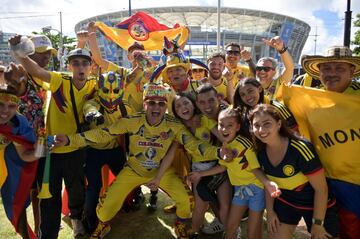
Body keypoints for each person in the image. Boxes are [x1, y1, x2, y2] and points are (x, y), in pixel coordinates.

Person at [54, 83, 230, 239]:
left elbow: (193, 145)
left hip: (162, 171)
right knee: (106, 208)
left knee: (186, 201)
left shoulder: (174, 125)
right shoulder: (132, 120)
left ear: (166, 107)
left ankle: (180, 225)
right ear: (145, 104)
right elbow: (103, 134)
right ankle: (103, 225)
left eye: (161, 104)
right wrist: (70, 140)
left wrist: (218, 152)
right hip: (134, 170)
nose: (156, 107)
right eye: (151, 103)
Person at [9, 35, 97, 238]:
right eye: (76, 64)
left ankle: (76, 220)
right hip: (50, 151)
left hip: (75, 150)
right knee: (49, 199)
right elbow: (37, 70)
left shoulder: (93, 85)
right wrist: (19, 52)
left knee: (76, 191)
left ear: (90, 67)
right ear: (69, 66)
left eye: (85, 63)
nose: (81, 68)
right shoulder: (59, 80)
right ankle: (48, 234)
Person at [249, 104, 338, 239]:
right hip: (286, 201)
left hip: (314, 202)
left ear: (279, 124)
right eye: (256, 125)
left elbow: (321, 189)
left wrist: (318, 223)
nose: (261, 130)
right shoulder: (259, 150)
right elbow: (270, 185)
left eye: (267, 124)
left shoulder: (300, 148)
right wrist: (271, 211)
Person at [301, 45, 360, 238]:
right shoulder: (310, 99)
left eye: (339, 68)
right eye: (326, 68)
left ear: (352, 71)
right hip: (327, 184)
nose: (332, 74)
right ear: (319, 72)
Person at [172, 92, 231, 238]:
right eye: (178, 106)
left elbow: (222, 135)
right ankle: (194, 230)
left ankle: (231, 232)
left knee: (224, 205)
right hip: (198, 169)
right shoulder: (179, 128)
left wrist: (225, 150)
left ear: (194, 104)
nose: (183, 107)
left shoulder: (204, 119)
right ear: (175, 112)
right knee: (200, 206)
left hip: (219, 167)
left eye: (186, 103)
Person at [0, 73, 38, 239]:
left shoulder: (19, 123)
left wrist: (43, 147)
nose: (5, 111)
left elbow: (25, 155)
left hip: (8, 176)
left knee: (16, 210)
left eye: (11, 106)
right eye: (0, 104)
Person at [233, 77, 297, 137]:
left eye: (250, 91)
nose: (247, 97)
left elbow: (294, 131)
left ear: (260, 89)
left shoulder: (278, 108)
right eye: (243, 95)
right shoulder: (243, 112)